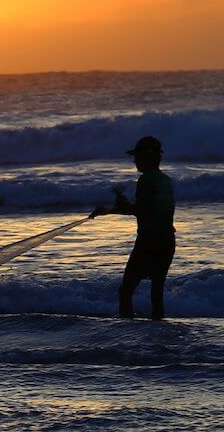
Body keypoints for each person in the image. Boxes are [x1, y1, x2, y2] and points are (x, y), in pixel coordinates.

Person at [90, 135, 176, 320]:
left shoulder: (146, 180)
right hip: (168, 241)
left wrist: (117, 206)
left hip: (149, 241)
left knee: (126, 290)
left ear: (148, 157)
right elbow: (150, 210)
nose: (135, 161)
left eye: (138, 156)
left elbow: (140, 210)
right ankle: (158, 333)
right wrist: (111, 210)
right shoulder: (165, 180)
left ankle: (128, 332)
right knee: (156, 293)